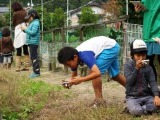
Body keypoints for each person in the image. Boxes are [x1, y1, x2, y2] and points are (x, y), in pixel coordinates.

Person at [58, 36, 126, 107]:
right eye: (66, 65)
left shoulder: (84, 54)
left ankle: (99, 101)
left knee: (95, 71)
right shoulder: (73, 57)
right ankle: (133, 92)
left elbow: (97, 73)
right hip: (112, 46)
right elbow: (74, 78)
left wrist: (81, 79)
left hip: (110, 48)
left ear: (75, 57)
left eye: (68, 64)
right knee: (115, 76)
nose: (69, 66)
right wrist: (69, 82)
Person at [124, 39, 160, 116]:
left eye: (143, 55)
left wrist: (156, 96)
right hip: (132, 97)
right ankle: (137, 109)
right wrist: (137, 69)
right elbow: (129, 82)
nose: (141, 58)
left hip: (147, 96)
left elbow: (153, 82)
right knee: (136, 111)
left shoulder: (149, 68)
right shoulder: (128, 66)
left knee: (157, 105)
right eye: (138, 55)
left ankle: (139, 109)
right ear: (132, 55)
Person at [134, 0, 160, 81]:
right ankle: (154, 89)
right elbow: (143, 10)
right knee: (147, 63)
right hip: (148, 32)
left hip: (158, 31)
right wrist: (138, 9)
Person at [21, 9, 40, 78]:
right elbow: (29, 32)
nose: (29, 19)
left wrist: (25, 28)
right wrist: (24, 30)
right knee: (32, 57)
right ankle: (35, 71)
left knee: (34, 57)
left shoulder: (36, 23)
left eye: (30, 17)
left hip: (33, 42)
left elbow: (33, 33)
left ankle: (37, 72)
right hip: (31, 42)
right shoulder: (33, 23)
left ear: (33, 15)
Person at [11, 2, 30, 72]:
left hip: (19, 32)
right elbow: (28, 21)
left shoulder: (15, 14)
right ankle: (27, 66)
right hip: (26, 31)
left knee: (18, 50)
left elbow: (14, 23)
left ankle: (17, 67)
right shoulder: (25, 12)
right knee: (26, 50)